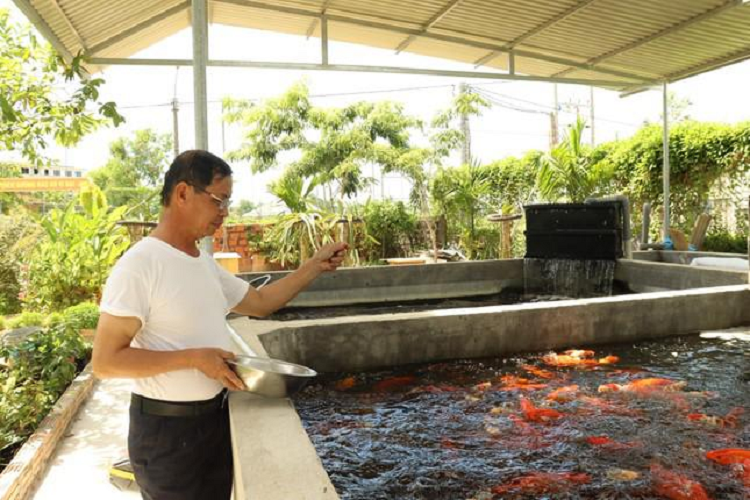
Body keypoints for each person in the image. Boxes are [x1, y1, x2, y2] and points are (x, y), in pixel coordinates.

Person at [92, 150, 347, 500]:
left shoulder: (203, 263)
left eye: (228, 201)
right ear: (183, 193)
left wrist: (313, 267)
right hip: (166, 434)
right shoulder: (140, 264)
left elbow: (260, 303)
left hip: (213, 423)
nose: (224, 212)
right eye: (219, 200)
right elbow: (106, 362)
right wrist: (194, 358)